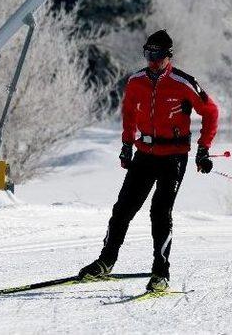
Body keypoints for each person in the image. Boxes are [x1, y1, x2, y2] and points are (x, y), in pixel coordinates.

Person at [78, 30, 219, 292]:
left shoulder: (183, 82)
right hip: (145, 154)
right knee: (123, 209)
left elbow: (211, 112)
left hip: (174, 158)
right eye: (148, 54)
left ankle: (160, 273)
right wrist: (126, 145)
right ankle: (106, 261)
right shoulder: (136, 81)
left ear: (168, 56)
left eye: (157, 55)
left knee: (160, 212)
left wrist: (203, 149)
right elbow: (129, 114)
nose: (152, 60)